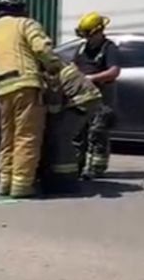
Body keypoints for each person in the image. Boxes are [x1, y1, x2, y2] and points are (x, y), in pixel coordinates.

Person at [0, 0, 64, 199]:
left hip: (1, 88)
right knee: (26, 136)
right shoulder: (25, 24)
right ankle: (21, 184)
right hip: (26, 85)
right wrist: (55, 66)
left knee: (7, 137)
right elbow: (42, 48)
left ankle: (5, 181)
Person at [72, 11, 121, 180]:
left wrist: (92, 78)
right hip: (83, 97)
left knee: (98, 132)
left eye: (89, 35)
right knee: (79, 132)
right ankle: (76, 166)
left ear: (98, 32)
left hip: (102, 97)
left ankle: (96, 169)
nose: (87, 39)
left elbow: (114, 71)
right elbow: (74, 66)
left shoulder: (109, 48)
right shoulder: (82, 48)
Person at [39, 63, 102, 195]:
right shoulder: (55, 63)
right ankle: (65, 177)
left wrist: (51, 118)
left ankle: (66, 181)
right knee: (61, 136)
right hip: (86, 98)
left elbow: (55, 98)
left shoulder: (50, 69)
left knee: (61, 136)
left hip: (82, 101)